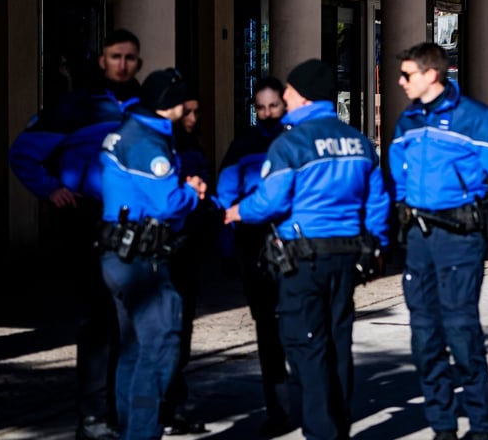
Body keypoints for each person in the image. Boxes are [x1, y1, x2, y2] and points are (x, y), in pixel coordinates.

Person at [224, 60, 390, 440]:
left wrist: (238, 211)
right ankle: (340, 422)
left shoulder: (291, 143)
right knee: (337, 341)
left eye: (289, 91)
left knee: (307, 348)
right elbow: (377, 201)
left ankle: (321, 431)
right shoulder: (357, 141)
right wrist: (377, 244)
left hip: (302, 259)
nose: (284, 97)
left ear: (304, 95)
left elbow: (271, 203)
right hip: (346, 255)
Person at [8, 28, 144, 440]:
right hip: (91, 222)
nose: (123, 64)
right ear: (102, 61)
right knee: (99, 321)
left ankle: (124, 409)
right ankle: (93, 415)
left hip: (137, 225)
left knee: (132, 321)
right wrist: (52, 189)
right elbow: (23, 153)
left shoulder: (146, 107)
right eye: (115, 56)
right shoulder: (74, 107)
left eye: (130, 57)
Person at [389, 42, 488, 440]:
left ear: (432, 74)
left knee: (461, 334)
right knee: (424, 339)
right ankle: (443, 428)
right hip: (419, 240)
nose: (400, 82)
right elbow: (399, 177)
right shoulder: (407, 122)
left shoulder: (476, 119)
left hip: (459, 240)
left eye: (406, 75)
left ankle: (482, 427)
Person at [97, 68, 208, 440]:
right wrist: (192, 191)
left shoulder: (134, 130)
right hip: (140, 260)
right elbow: (167, 203)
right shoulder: (146, 141)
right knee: (160, 346)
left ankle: (129, 428)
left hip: (121, 254)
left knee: (133, 349)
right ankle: (142, 433)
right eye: (184, 101)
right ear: (170, 104)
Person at [214, 77, 293, 437]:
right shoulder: (243, 143)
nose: (266, 114)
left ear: (284, 104)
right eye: (260, 108)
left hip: (291, 239)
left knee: (296, 325)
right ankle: (278, 408)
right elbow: (226, 193)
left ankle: (308, 399)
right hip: (253, 242)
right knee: (267, 329)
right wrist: (228, 245)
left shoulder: (295, 139)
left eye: (272, 106)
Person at [161, 94, 211, 435]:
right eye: (187, 111)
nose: (192, 117)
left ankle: (174, 404)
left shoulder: (193, 147)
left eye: (196, 111)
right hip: (164, 247)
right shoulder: (161, 148)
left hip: (189, 246)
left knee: (182, 333)